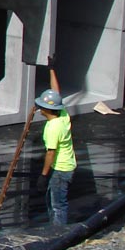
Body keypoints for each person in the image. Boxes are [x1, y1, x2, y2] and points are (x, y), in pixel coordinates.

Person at [36, 63, 75, 225]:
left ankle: (58, 232)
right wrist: (52, 69)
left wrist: (43, 175)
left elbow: (50, 153)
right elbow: (56, 93)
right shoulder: (63, 115)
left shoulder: (53, 128)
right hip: (67, 166)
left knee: (57, 204)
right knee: (54, 200)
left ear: (46, 109)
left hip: (60, 169)